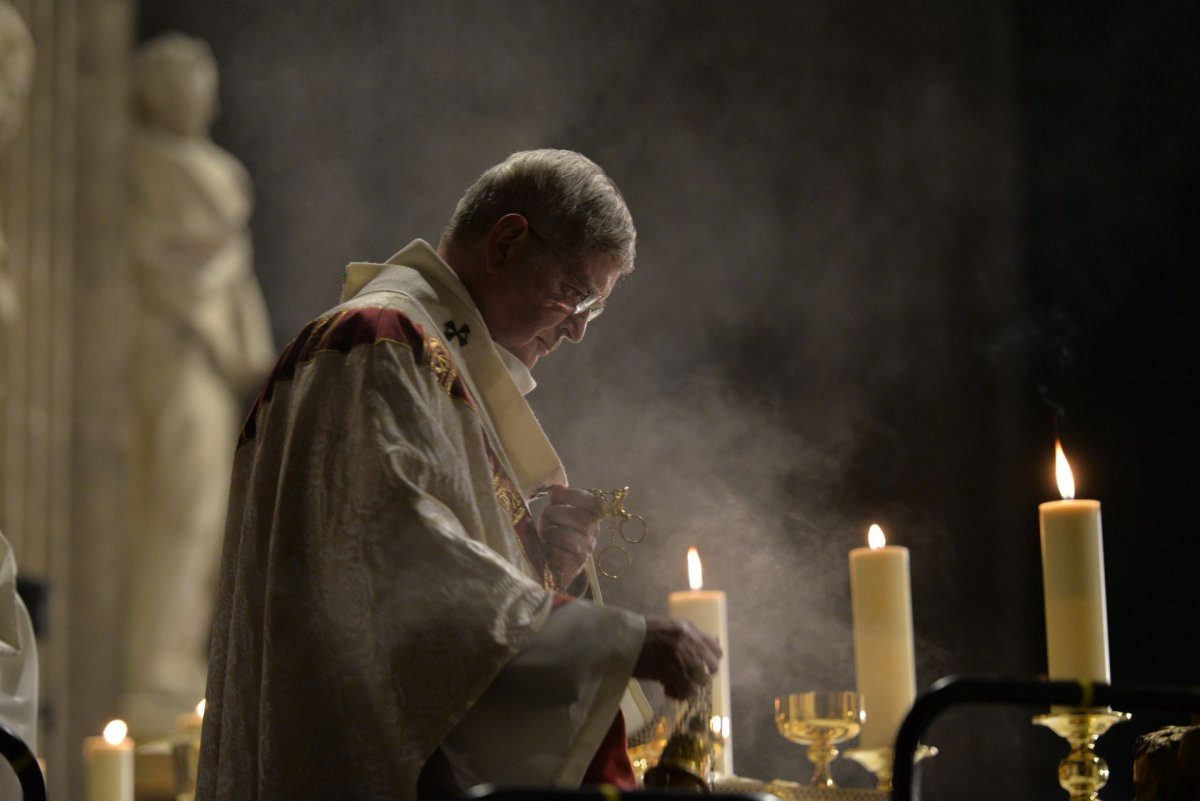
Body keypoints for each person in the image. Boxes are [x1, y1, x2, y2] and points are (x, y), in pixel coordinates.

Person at [197, 149, 721, 801]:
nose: (579, 330)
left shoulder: (426, 359)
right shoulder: (381, 342)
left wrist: (542, 562)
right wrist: (623, 638)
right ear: (507, 242)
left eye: (596, 309)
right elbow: (408, 576)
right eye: (577, 294)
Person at [124, 32, 275, 735]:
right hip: (175, 349)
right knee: (178, 512)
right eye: (187, 83)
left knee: (206, 516)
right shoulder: (148, 163)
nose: (201, 97)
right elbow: (171, 258)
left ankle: (174, 654)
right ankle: (153, 665)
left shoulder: (207, 171)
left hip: (204, 358)